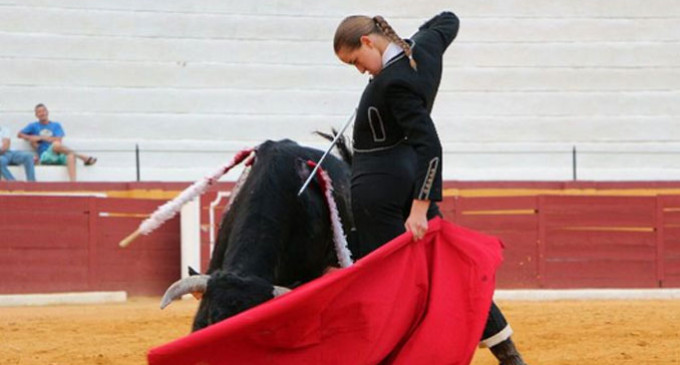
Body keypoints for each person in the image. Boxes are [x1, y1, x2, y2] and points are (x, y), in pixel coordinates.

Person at [334, 11, 528, 365]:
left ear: (366, 41)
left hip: (384, 192)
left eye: (356, 61)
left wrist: (421, 207)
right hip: (403, 175)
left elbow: (431, 145)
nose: (360, 71)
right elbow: (448, 20)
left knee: (385, 283)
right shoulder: (424, 51)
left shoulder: (395, 84)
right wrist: (409, 44)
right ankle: (507, 351)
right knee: (445, 268)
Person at [18, 104, 96, 182]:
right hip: (46, 155)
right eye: (39, 112)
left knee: (70, 155)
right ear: (36, 115)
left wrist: (42, 138)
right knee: (55, 145)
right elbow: (20, 134)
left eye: (43, 111)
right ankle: (82, 157)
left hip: (58, 154)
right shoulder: (33, 126)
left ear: (47, 112)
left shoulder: (56, 125)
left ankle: (73, 183)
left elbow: (58, 140)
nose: (42, 113)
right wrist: (32, 138)